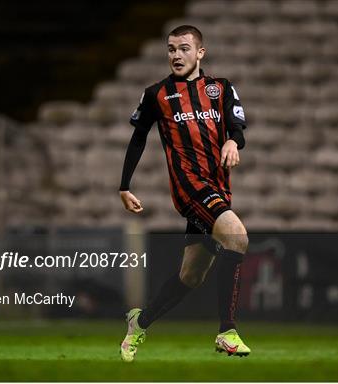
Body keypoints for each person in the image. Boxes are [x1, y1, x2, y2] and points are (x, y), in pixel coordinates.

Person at [119, 25, 250, 362]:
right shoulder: (157, 94)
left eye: (184, 48)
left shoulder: (221, 89)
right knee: (237, 237)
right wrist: (124, 185)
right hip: (189, 188)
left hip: (218, 186)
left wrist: (234, 141)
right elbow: (138, 138)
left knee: (191, 275)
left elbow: (237, 127)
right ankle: (227, 331)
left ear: (200, 52)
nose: (176, 55)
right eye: (171, 49)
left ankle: (139, 323)